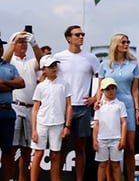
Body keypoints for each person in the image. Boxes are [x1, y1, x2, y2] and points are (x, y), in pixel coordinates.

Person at [54, 25, 99, 181]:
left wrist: (95, 97)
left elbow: (100, 78)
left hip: (83, 107)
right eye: (77, 34)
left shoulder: (90, 58)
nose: (81, 37)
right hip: (63, 107)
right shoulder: (58, 57)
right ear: (68, 38)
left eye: (82, 34)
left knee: (80, 148)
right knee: (60, 147)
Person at [96, 33, 139, 181]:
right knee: (109, 147)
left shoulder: (133, 64)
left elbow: (135, 89)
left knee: (129, 147)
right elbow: (99, 88)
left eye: (127, 42)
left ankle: (130, 178)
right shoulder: (104, 64)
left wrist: (137, 109)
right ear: (116, 44)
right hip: (108, 107)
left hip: (127, 105)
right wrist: (97, 102)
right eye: (123, 42)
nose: (126, 44)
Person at [3, 31, 43, 181]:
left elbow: (42, 62)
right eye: (21, 42)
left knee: (26, 151)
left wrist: (35, 44)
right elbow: (3, 62)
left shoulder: (30, 61)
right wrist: (13, 43)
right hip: (15, 107)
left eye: (25, 42)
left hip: (30, 109)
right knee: (11, 149)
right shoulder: (11, 61)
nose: (24, 44)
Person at [30, 54, 71, 181]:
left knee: (55, 155)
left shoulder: (64, 84)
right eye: (50, 66)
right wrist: (34, 130)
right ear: (44, 69)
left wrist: (67, 125)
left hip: (58, 123)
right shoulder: (40, 86)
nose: (54, 68)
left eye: (55, 65)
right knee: (38, 154)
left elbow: (69, 105)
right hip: (42, 123)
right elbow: (35, 108)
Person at [93, 77, 127, 181]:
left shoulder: (120, 105)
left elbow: (124, 122)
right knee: (102, 164)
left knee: (116, 165)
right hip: (102, 139)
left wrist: (123, 138)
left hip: (116, 139)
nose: (110, 91)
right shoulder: (99, 106)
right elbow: (96, 124)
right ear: (102, 91)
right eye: (107, 89)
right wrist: (94, 140)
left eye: (112, 88)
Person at [0, 34, 24, 181]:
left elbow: (21, 83)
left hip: (7, 111)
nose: (0, 49)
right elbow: (15, 83)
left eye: (1, 46)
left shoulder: (10, 67)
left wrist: (3, 81)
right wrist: (10, 84)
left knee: (8, 150)